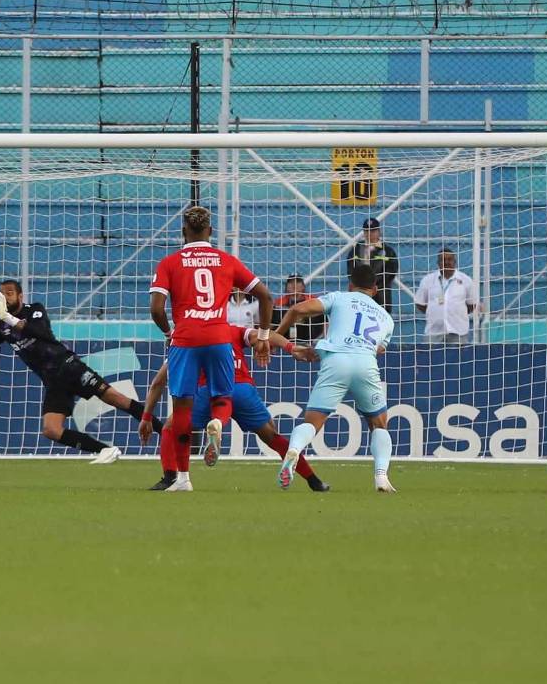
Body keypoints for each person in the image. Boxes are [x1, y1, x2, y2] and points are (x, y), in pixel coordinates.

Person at [0, 279, 160, 463]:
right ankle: (106, 450)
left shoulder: (34, 309)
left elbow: (40, 332)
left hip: (69, 366)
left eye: (9, 293)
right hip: (52, 380)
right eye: (2, 293)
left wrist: (9, 318)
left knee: (115, 398)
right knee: (51, 429)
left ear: (20, 296)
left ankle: (166, 432)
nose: (5, 297)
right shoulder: (0, 326)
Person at [149, 205, 273, 492]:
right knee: (222, 395)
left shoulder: (169, 262)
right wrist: (264, 335)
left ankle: (183, 478)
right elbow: (265, 296)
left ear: (183, 232)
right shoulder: (226, 260)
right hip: (219, 338)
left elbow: (156, 308)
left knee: (181, 409)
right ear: (211, 231)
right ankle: (217, 422)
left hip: (185, 340)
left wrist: (169, 332)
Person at [139, 324, 330, 492]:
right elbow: (264, 335)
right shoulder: (233, 331)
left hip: (208, 391)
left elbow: (158, 383)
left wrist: (146, 417)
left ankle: (171, 478)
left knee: (171, 427)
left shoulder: (186, 340)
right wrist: (290, 346)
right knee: (271, 434)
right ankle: (314, 481)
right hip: (242, 390)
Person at [274, 264, 397, 493]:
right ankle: (381, 476)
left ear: (350, 284)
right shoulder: (387, 319)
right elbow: (380, 349)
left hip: (335, 360)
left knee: (312, 422)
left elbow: (298, 310)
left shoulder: (340, 297)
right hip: (365, 363)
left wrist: (277, 335)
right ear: (376, 290)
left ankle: (294, 450)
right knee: (379, 423)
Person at [414, 247, 478, 344]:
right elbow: (420, 304)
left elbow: (471, 304)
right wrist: (435, 312)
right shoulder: (427, 280)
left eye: (449, 259)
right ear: (438, 263)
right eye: (443, 260)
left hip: (458, 331)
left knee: (459, 359)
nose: (447, 262)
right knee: (431, 358)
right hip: (434, 331)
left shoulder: (466, 280)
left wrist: (455, 312)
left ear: (455, 262)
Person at [347, 217, 399, 312]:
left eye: (373, 231)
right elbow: (350, 269)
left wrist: (374, 285)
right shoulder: (356, 250)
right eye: (367, 231)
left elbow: (391, 272)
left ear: (379, 231)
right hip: (359, 292)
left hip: (380, 294)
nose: (369, 234)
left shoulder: (387, 251)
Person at [273, 275, 324, 341]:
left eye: (297, 282)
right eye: (291, 282)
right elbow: (272, 324)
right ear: (286, 287)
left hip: (310, 343)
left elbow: (325, 322)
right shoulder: (278, 304)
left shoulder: (313, 301)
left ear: (303, 286)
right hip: (284, 343)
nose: (294, 285)